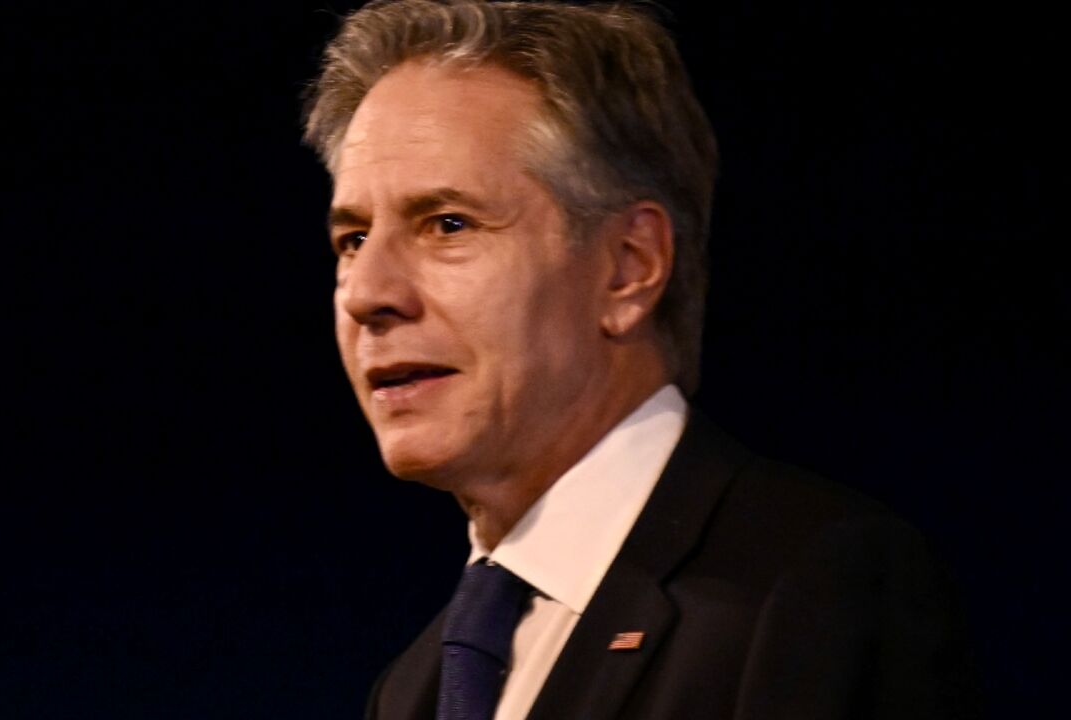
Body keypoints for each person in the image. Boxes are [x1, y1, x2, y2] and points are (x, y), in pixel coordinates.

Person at [302, 1, 979, 718]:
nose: (368, 293)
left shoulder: (813, 590)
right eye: (351, 240)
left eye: (448, 224)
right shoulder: (412, 690)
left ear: (629, 267)